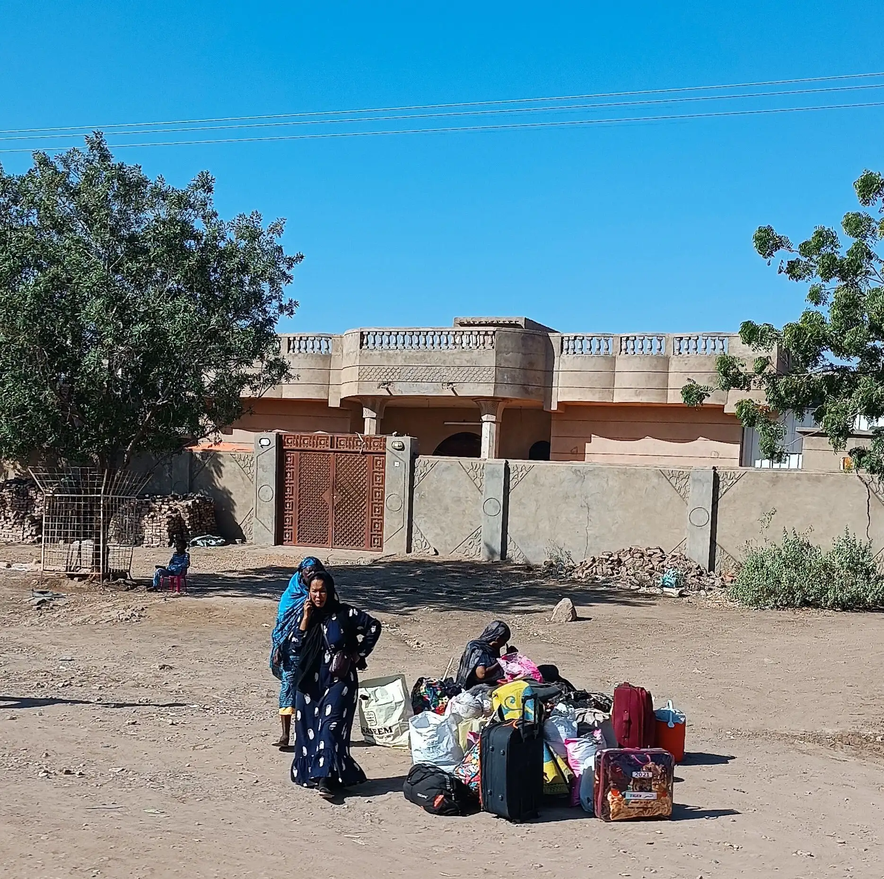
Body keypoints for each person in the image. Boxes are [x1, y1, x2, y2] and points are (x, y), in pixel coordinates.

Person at [290, 571, 381, 800]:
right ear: (308, 593)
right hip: (309, 683)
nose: (318, 596)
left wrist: (358, 654)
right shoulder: (304, 615)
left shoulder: (344, 613)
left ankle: (325, 779)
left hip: (339, 680)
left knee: (331, 727)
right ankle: (314, 772)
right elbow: (293, 650)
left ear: (330, 591)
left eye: (322, 591)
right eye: (314, 591)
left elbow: (373, 627)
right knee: (309, 729)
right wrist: (305, 620)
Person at [271, 557, 325, 749]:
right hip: (291, 650)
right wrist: (278, 647)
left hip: (314, 649)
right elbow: (281, 623)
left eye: (314, 570)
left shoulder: (321, 593)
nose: (310, 574)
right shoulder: (291, 595)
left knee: (314, 690)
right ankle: (285, 735)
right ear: (300, 572)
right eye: (306, 571)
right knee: (287, 688)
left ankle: (311, 733)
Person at [455, 620, 511, 688]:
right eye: (504, 641)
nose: (504, 644)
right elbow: (481, 675)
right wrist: (502, 660)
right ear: (497, 639)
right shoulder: (479, 649)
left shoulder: (491, 648)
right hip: (475, 688)